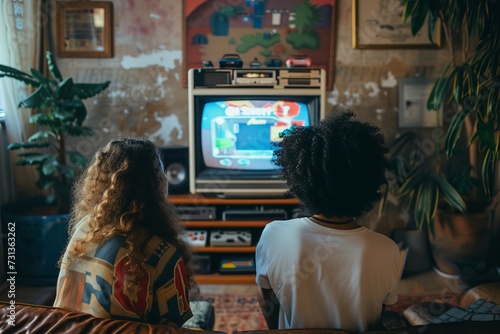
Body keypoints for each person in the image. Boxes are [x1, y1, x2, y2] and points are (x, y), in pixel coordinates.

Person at [255, 110, 401, 332]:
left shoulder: (273, 235)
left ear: (300, 178)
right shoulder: (387, 250)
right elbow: (376, 319)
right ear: (370, 181)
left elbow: (267, 300)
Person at [54, 138, 196, 326]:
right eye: (162, 172)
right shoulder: (163, 255)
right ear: (156, 185)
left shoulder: (84, 228)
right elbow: (173, 328)